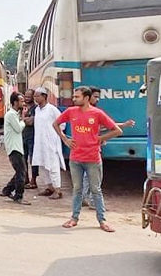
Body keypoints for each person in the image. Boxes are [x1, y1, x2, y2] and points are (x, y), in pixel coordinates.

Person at [53, 86, 122, 232]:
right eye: (73, 96)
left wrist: (100, 138)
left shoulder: (97, 113)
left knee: (96, 190)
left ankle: (102, 220)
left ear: (86, 98)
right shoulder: (71, 111)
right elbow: (56, 124)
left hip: (93, 158)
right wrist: (65, 139)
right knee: (77, 189)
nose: (73, 99)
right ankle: (74, 218)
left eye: (77, 97)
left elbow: (117, 130)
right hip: (75, 158)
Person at [80, 86, 136, 208]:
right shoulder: (91, 112)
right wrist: (101, 139)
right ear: (88, 97)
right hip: (92, 149)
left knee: (87, 175)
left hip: (85, 148)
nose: (97, 100)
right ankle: (93, 202)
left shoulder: (83, 111)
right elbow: (104, 127)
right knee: (94, 176)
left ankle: (83, 198)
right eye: (95, 97)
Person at [31, 87, 65, 200]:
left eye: (37, 96)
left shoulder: (52, 109)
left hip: (51, 143)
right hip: (40, 143)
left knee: (53, 166)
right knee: (43, 165)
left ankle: (58, 190)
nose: (35, 98)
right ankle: (49, 187)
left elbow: (62, 124)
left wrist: (54, 135)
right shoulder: (37, 110)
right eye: (34, 96)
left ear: (44, 96)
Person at [1, 92, 30, 205]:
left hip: (16, 147)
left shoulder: (14, 114)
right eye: (21, 101)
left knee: (20, 171)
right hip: (14, 148)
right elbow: (18, 129)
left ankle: (7, 189)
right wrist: (23, 119)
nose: (23, 103)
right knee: (21, 172)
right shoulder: (11, 115)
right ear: (15, 102)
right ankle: (18, 196)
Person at [20, 89, 39, 189]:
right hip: (22, 136)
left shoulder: (36, 108)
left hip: (32, 136)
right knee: (23, 159)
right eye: (25, 96)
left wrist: (23, 119)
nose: (26, 98)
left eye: (29, 96)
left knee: (33, 159)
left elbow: (31, 122)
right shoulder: (21, 107)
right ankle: (25, 178)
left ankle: (34, 180)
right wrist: (25, 119)